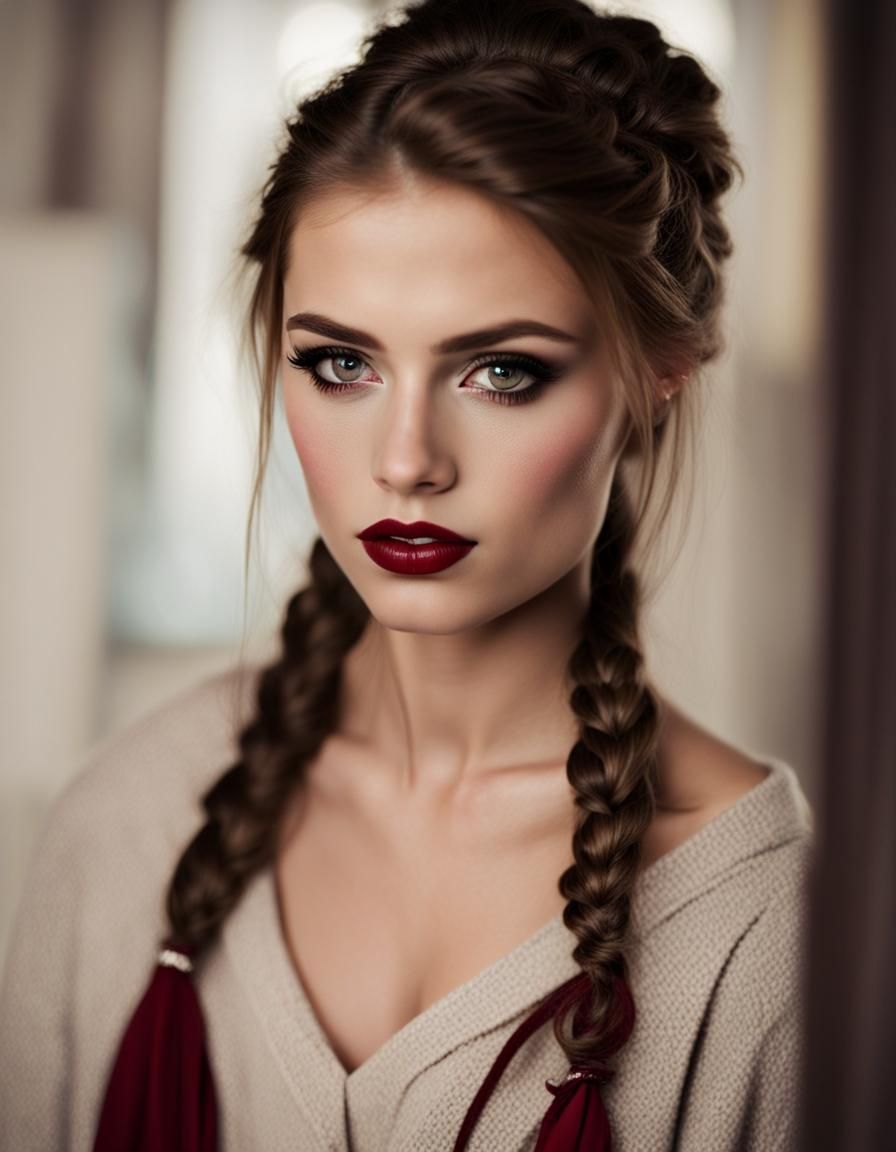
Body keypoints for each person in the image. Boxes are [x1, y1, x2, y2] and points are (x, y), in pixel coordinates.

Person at [0, 0, 815, 1149]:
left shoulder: (771, 936)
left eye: (500, 372)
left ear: (659, 372)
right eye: (341, 363)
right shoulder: (128, 823)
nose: (405, 461)